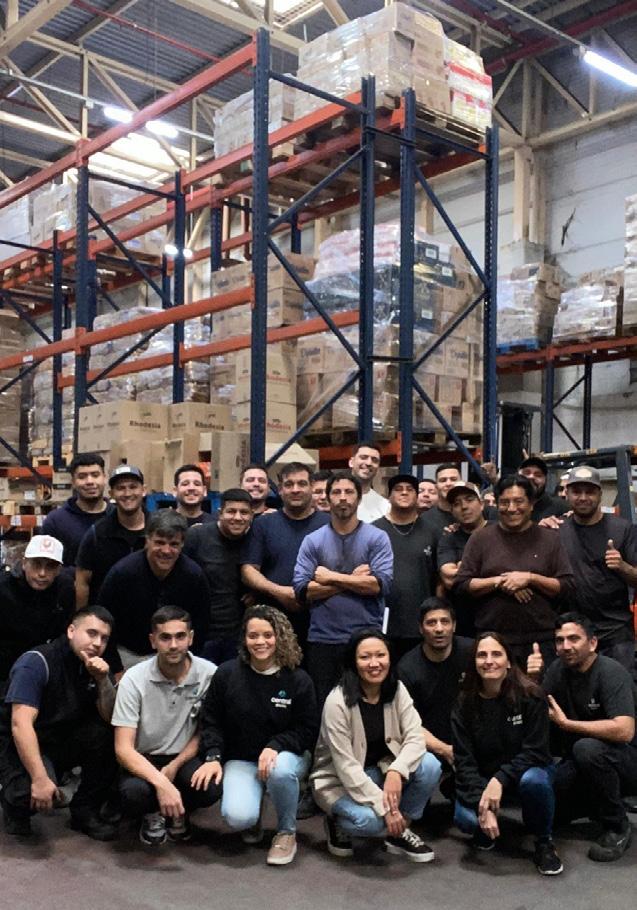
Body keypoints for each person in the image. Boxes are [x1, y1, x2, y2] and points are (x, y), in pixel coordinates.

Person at [197, 605, 318, 866]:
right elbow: (211, 721)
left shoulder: (298, 679)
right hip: (242, 758)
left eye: (267, 635)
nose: (260, 642)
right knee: (237, 817)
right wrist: (213, 755)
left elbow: (307, 730)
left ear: (279, 637)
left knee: (279, 770)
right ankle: (253, 813)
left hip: (286, 757)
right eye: (253, 635)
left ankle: (286, 832)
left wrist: (276, 745)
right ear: (244, 638)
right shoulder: (226, 674)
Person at [311, 628, 440, 862]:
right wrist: (387, 809)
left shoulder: (397, 689)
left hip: (381, 771)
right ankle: (335, 819)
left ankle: (399, 831)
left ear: (390, 657)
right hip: (340, 780)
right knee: (370, 822)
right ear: (353, 662)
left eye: (380, 655)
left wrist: (397, 770)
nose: (374, 663)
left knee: (430, 765)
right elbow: (346, 767)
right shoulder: (337, 702)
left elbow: (415, 737)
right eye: (365, 657)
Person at [0, 607, 118, 840]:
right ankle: (13, 803)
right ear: (71, 631)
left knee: (108, 734)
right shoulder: (36, 662)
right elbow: (20, 725)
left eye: (104, 638)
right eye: (91, 633)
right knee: (29, 791)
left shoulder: (96, 667)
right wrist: (40, 778)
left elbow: (109, 717)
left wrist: (103, 680)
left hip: (59, 739)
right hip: (19, 742)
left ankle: (84, 810)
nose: (97, 643)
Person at [451, 632, 562, 875]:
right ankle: (489, 821)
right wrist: (483, 804)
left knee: (534, 781)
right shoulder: (464, 702)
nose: (489, 661)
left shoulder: (531, 695)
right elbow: (464, 760)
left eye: (496, 654)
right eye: (482, 655)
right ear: (474, 662)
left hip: (527, 771)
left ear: (509, 662)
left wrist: (499, 780)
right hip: (486, 777)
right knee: (466, 820)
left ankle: (544, 841)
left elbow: (536, 751)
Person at [112, 606, 220, 847]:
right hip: (144, 758)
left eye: (180, 636)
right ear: (153, 641)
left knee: (210, 787)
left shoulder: (210, 674)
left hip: (184, 757)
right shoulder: (133, 679)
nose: (173, 645)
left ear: (191, 638)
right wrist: (162, 783)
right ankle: (153, 812)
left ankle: (180, 809)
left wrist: (174, 766)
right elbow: (123, 749)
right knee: (132, 794)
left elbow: (204, 731)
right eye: (165, 637)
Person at [293, 471, 394, 707]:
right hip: (323, 640)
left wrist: (330, 578)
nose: (343, 498)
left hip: (366, 639)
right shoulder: (313, 540)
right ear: (328, 498)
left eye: (349, 492)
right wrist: (352, 580)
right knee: (325, 707)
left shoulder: (377, 538)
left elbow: (379, 585)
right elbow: (302, 591)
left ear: (359, 498)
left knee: (367, 705)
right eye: (336, 492)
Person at [543, 613, 637, 862]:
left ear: (593, 643)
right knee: (545, 811)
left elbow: (625, 730)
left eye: (574, 639)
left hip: (627, 760)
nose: (566, 646)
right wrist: (531, 678)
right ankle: (594, 804)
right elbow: (536, 709)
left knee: (587, 748)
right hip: (581, 759)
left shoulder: (611, 672)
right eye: (560, 640)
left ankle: (617, 824)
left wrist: (568, 725)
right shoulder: (557, 670)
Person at [454, 474, 575, 667]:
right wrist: (501, 582)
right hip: (492, 641)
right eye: (504, 502)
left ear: (531, 504)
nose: (511, 508)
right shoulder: (480, 539)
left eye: (519, 501)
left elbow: (567, 586)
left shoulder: (550, 539)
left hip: (541, 641)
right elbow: (461, 585)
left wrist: (530, 578)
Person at [545, 466, 637, 674]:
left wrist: (622, 566)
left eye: (590, 492)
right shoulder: (555, 530)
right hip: (572, 634)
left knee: (620, 689)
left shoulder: (622, 529)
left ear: (600, 494)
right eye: (577, 492)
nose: (583, 498)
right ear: (566, 493)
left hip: (615, 633)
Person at [98, 510, 209, 669]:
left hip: (177, 656)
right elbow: (104, 622)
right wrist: (116, 668)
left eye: (174, 544)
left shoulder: (194, 576)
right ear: (147, 540)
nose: (166, 550)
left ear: (182, 544)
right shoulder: (122, 573)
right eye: (159, 542)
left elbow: (201, 625)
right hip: (129, 656)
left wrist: (188, 665)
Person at [241, 462, 329, 650]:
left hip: (321, 623)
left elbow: (342, 571)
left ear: (312, 488)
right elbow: (248, 570)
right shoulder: (263, 524)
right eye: (289, 484)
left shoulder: (330, 525)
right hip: (271, 624)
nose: (295, 489)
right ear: (280, 489)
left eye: (302, 484)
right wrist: (280, 592)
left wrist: (308, 593)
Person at [398, 599, 473, 787]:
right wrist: (445, 750)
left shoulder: (473, 653)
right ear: (421, 628)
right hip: (428, 746)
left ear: (454, 626)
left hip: (472, 742)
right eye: (431, 623)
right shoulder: (407, 668)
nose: (439, 629)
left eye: (445, 622)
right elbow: (407, 723)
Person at [184, 488, 253, 665]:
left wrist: (256, 592)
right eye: (231, 511)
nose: (237, 517)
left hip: (238, 635)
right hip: (202, 635)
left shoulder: (254, 541)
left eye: (244, 512)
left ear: (251, 516)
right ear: (220, 513)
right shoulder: (196, 536)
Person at [373, 474, 436, 659]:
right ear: (389, 496)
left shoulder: (433, 531)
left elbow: (439, 578)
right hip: (383, 620)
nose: (404, 493)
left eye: (410, 489)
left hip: (421, 622)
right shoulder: (373, 531)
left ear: (417, 496)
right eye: (398, 489)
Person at [0, 535, 75, 684]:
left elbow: (65, 631)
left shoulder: (65, 588)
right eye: (36, 564)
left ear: (58, 570)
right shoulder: (3, 588)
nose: (42, 573)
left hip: (46, 664)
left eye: (50, 566)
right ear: (24, 563)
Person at [75, 464, 147, 608]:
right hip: (106, 616)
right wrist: (82, 616)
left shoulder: (157, 530)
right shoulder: (96, 534)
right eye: (120, 488)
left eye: (133, 487)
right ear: (111, 494)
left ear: (143, 490)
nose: (127, 493)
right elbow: (82, 582)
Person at [437, 481, 490, 637]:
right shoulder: (449, 538)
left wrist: (463, 567)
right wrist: (491, 570)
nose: (464, 507)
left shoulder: (499, 531)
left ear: (482, 504)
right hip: (464, 623)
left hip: (497, 617)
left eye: (469, 499)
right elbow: (449, 577)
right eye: (457, 503)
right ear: (452, 511)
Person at [41, 452, 110, 566]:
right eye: (82, 477)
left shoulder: (118, 516)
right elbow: (47, 566)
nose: (90, 481)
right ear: (73, 482)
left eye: (95, 475)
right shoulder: (56, 521)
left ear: (105, 478)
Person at [518, 455, 570, 522]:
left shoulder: (562, 508)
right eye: (526, 473)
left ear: (545, 480)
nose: (531, 477)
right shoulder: (507, 506)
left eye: (538, 475)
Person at [348, 441, 389, 523]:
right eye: (363, 457)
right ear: (351, 462)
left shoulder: (385, 507)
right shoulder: (333, 498)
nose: (369, 463)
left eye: (374, 460)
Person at [421, 463, 461, 538]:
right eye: (443, 480)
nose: (448, 483)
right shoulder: (425, 520)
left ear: (461, 483)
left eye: (453, 479)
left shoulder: (472, 514)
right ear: (436, 487)